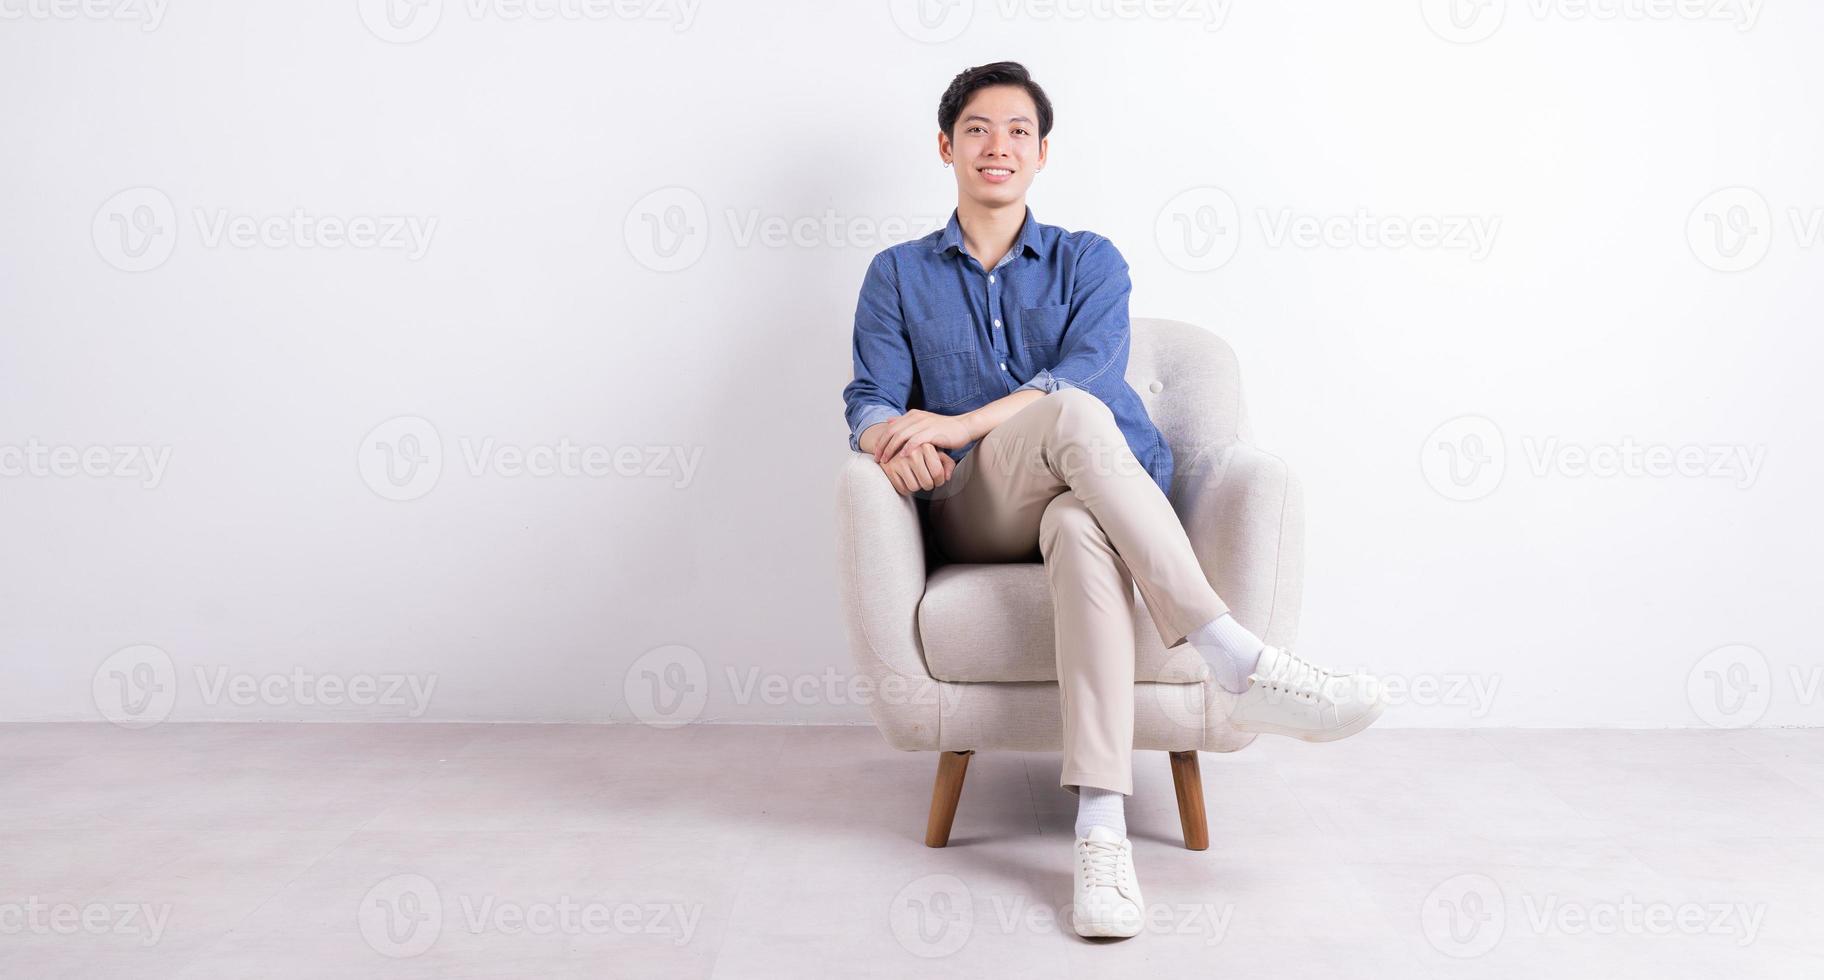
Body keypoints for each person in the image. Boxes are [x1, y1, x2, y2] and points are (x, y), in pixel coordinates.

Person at [840, 61, 1386, 940]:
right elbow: (869, 395)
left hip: (1090, 494)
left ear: (1043, 153)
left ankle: (1101, 832)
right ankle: (1239, 660)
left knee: (1081, 514)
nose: (998, 146)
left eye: (1019, 131)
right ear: (946, 146)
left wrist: (949, 421)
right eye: (978, 128)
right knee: (1071, 419)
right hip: (980, 505)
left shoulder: (1091, 261)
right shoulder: (898, 275)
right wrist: (889, 439)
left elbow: (1083, 376)